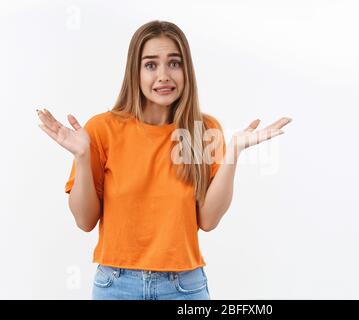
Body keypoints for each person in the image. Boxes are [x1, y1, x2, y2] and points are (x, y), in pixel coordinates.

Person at [36, 20, 292, 300]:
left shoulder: (202, 130)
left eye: (174, 63)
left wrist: (233, 153)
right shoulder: (101, 130)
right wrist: (83, 157)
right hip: (116, 286)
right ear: (135, 71)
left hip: (184, 288)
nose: (163, 75)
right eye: (150, 65)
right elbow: (84, 220)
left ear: (186, 70)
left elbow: (208, 220)